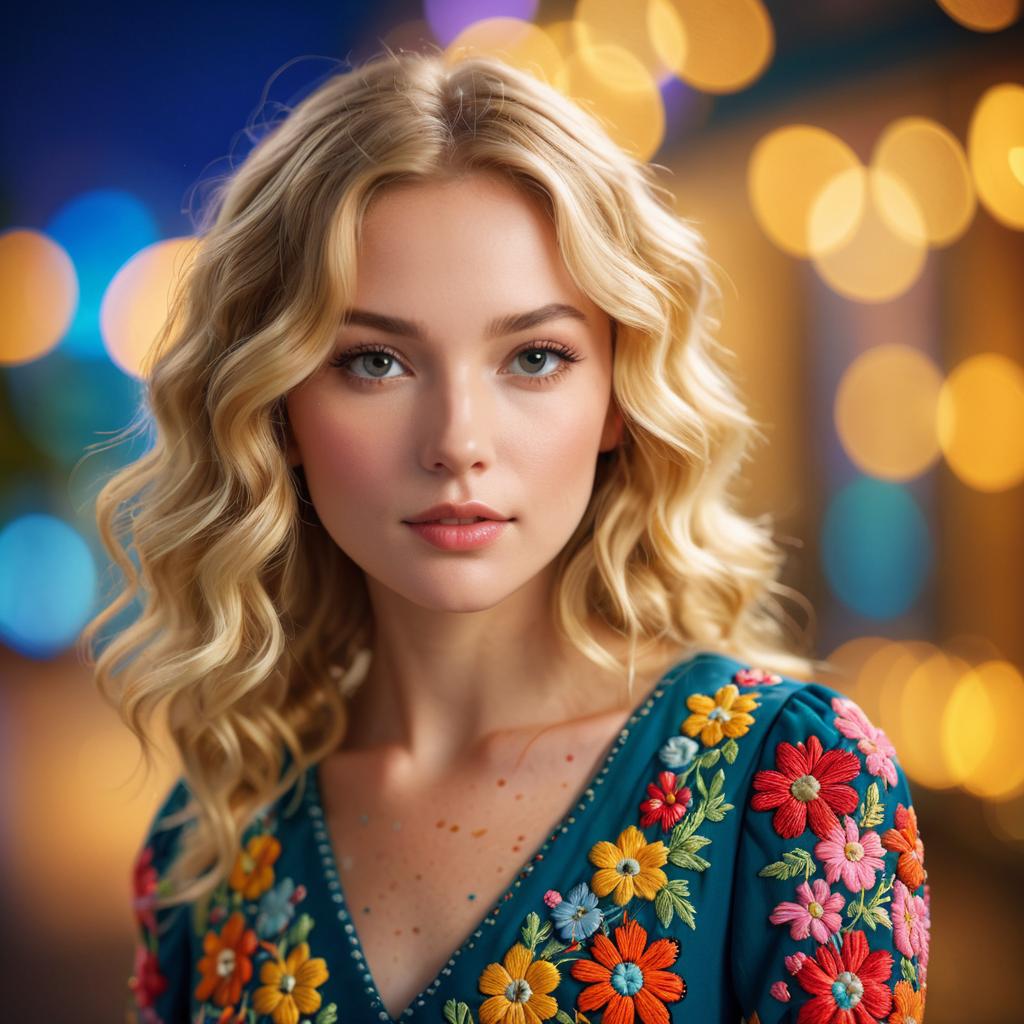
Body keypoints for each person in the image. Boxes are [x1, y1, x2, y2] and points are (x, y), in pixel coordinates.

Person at [84, 47, 930, 1024]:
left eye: (533, 356)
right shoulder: (211, 838)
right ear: (275, 409)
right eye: (375, 361)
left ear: (619, 393)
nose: (457, 443)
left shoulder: (799, 783)